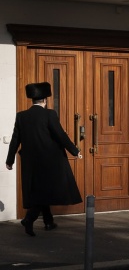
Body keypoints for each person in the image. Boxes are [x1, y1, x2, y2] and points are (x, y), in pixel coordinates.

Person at [5, 82, 82, 236]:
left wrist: (9, 160)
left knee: (40, 191)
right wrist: (75, 151)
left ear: (32, 100)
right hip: (49, 162)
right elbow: (60, 135)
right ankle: (29, 218)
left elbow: (15, 139)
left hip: (31, 163)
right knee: (45, 191)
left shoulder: (22, 116)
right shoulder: (50, 114)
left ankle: (48, 222)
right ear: (45, 101)